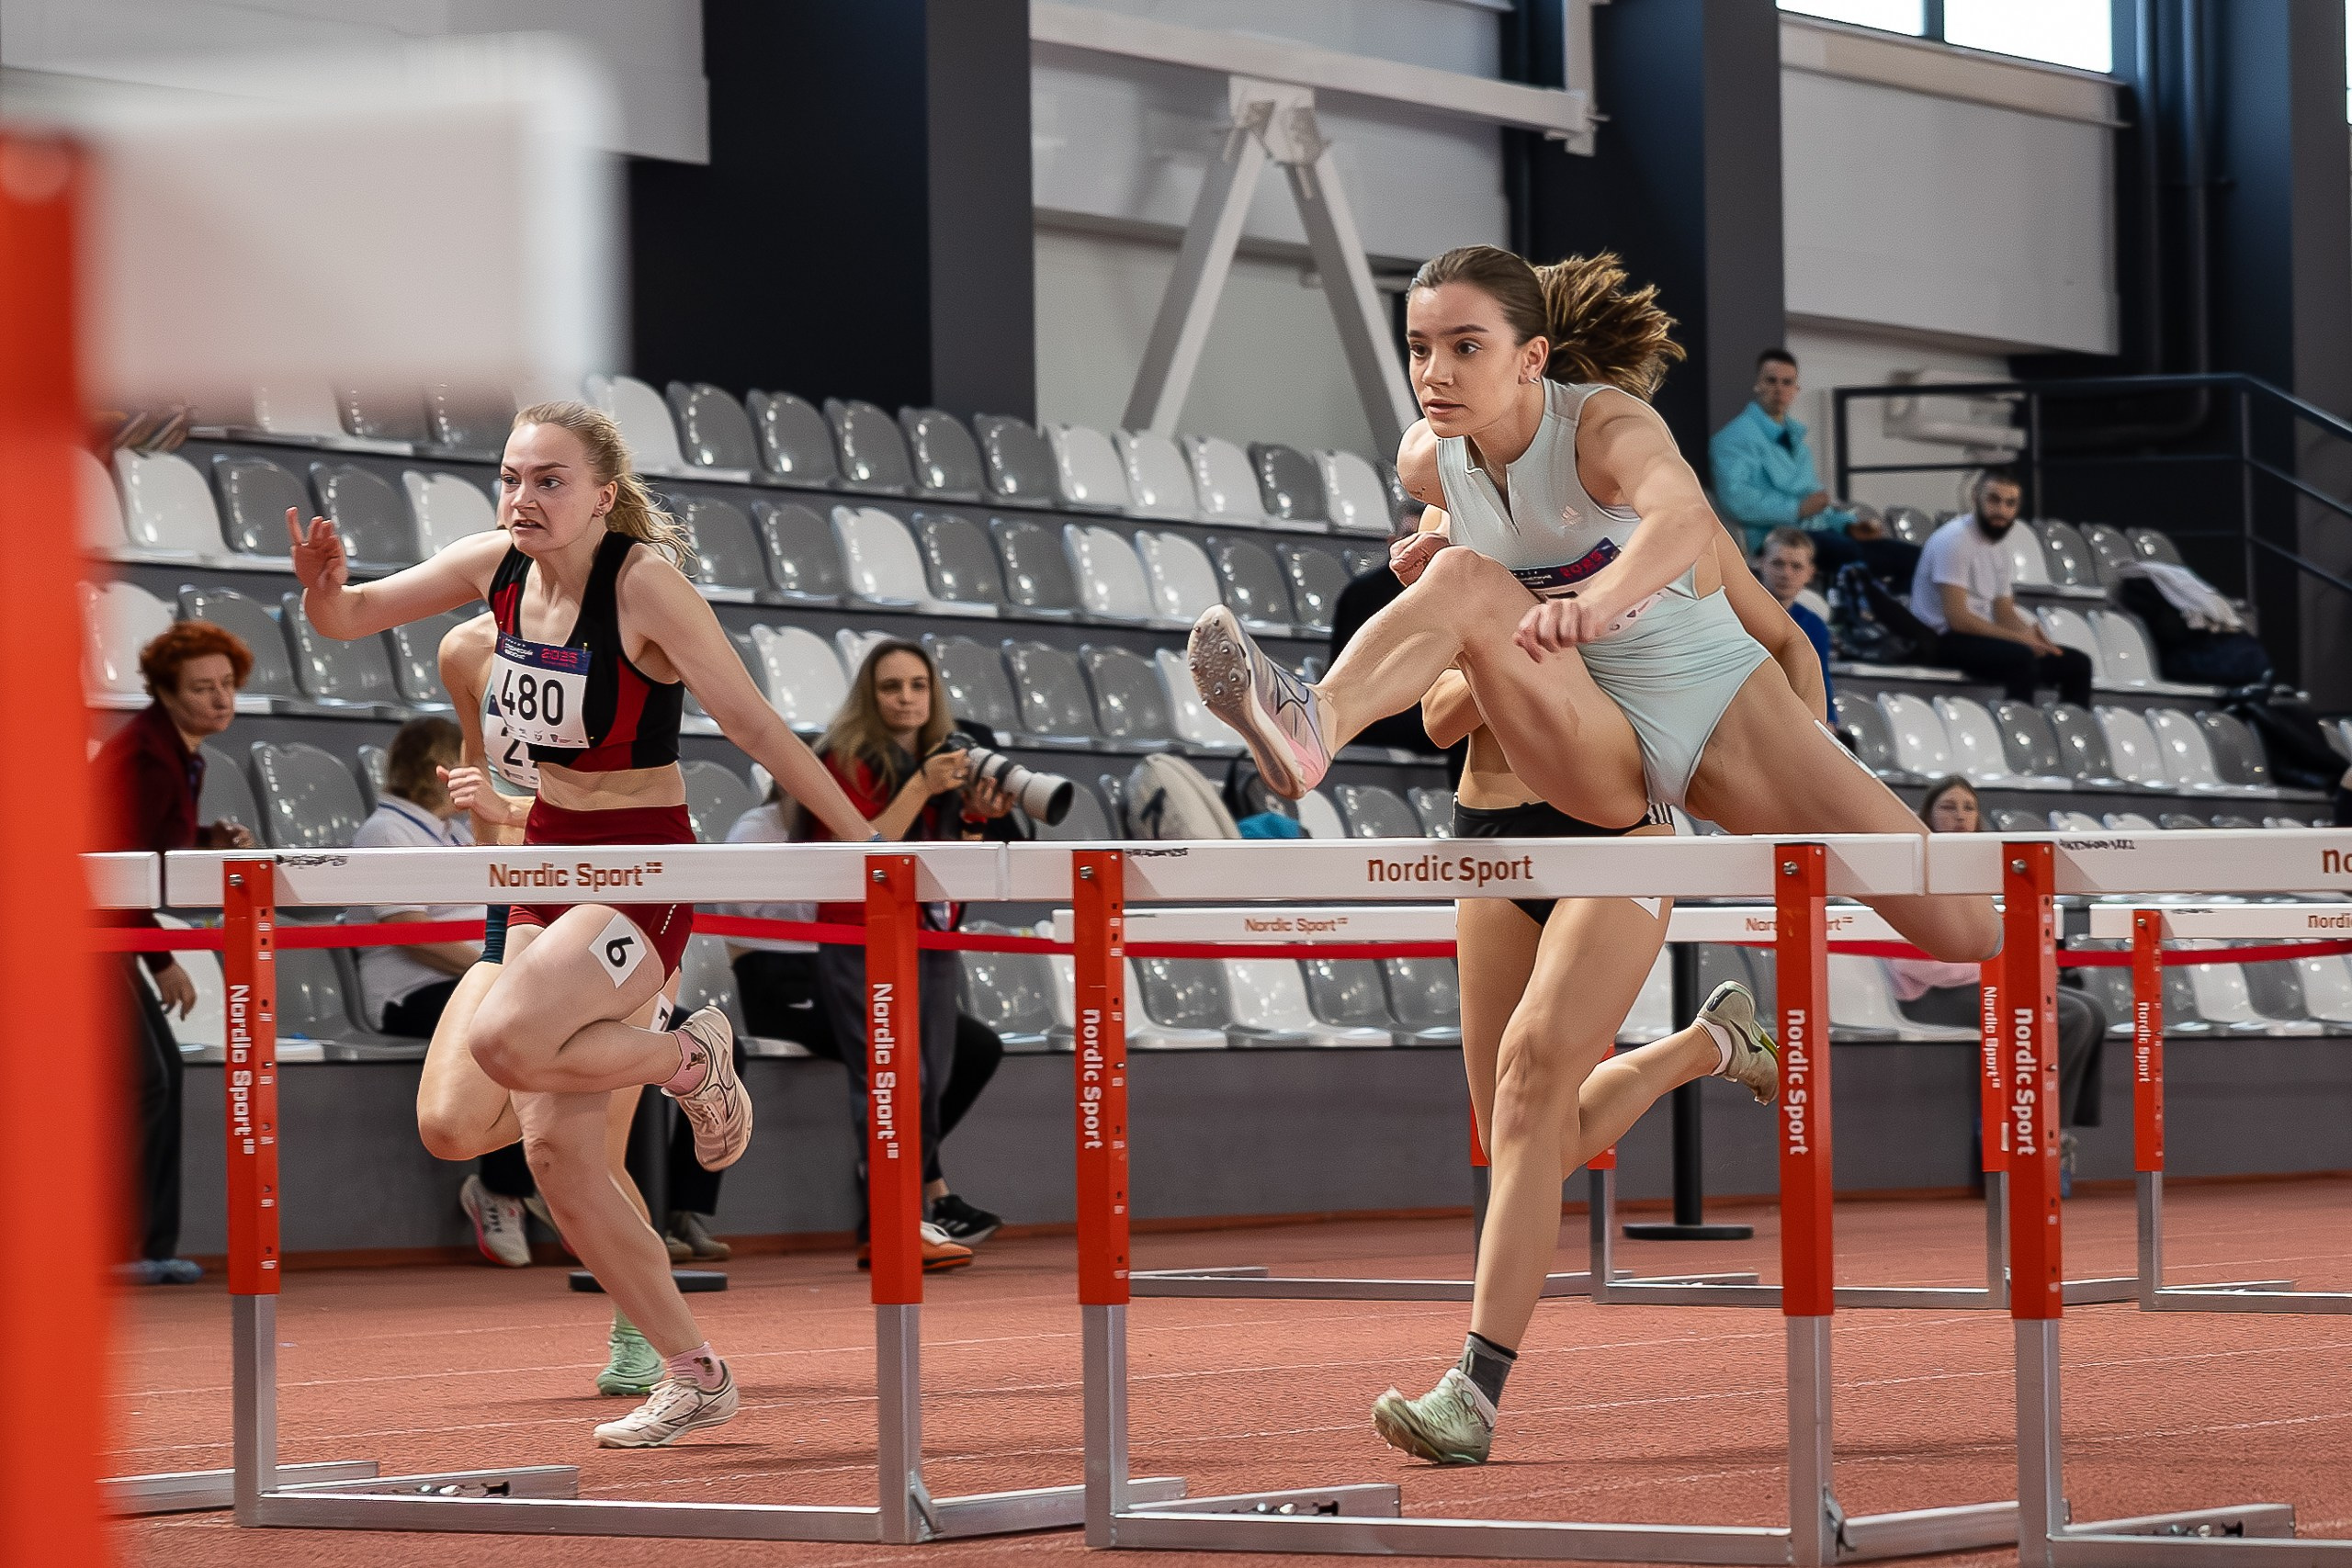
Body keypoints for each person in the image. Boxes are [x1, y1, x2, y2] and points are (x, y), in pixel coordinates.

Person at [290, 400, 878, 1448]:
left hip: (638, 871)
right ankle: (695, 1373)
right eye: (511, 477)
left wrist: (863, 838)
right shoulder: (495, 567)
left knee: (506, 1041)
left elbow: (749, 720)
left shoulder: (644, 582)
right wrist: (324, 585)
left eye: (548, 481)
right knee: (561, 1163)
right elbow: (347, 621)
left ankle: (685, 1058)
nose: (523, 499)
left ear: (603, 492)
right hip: (541, 870)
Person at [1187, 243, 1999, 969]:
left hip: (1714, 708)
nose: (1435, 373)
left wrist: (1595, 603)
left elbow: (1683, 521)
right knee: (1465, 580)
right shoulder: (1430, 465)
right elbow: (1440, 715)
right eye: (1420, 347)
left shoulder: (1604, 428)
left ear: (1531, 357)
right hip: (1592, 745)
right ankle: (1314, 720)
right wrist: (1455, 595)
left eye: (1466, 347)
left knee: (1967, 932)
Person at [1369, 669, 1779, 1467]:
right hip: (1489, 844)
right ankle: (1711, 1044)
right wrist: (1510, 637)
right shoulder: (1466, 551)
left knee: (1527, 1086)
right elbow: (1440, 717)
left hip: (1614, 835)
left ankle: (1473, 1392)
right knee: (1524, 1140)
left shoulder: (1624, 556)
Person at [420, 610, 677, 1398]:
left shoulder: (629, 633)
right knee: (451, 1126)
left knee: (591, 1154)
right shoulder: (465, 651)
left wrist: (512, 814)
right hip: (521, 910)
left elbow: (637, 799)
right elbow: (484, 790)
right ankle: (688, 1054)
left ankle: (649, 1331)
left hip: (615, 906)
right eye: (510, 485)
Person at [792, 641, 1014, 1266]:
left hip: (931, 939)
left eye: (919, 685)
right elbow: (865, 845)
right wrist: (922, 784)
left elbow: (952, 866)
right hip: (859, 936)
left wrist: (973, 817)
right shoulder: (843, 756)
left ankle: (905, 1216)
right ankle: (893, 1222)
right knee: (891, 1080)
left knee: (931, 1080)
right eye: (893, 686)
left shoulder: (948, 755)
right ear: (871, 693)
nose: (908, 698)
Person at [95, 621, 257, 1285]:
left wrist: (205, 835)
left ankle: (149, 1244)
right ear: (164, 691)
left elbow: (152, 838)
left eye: (226, 685)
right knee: (146, 1080)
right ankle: (122, 1245)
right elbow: (113, 862)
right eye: (201, 688)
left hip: (110, 929)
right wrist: (162, 957)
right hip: (89, 931)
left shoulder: (178, 752)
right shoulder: (145, 755)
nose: (220, 699)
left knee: (160, 1075)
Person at [1890, 778, 2103, 1183]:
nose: (1959, 817)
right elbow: (1913, 963)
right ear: (1927, 814)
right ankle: (2044, 1132)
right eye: (1949, 807)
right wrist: (1999, 967)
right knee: (2072, 1015)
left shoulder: (1981, 868)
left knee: (2090, 1008)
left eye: (1968, 808)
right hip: (1932, 994)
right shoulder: (1913, 865)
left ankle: (2057, 1125)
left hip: (1981, 979)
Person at [1708, 348, 1917, 584]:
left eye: (1787, 382)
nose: (1779, 389)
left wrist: (1848, 526)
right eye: (1771, 380)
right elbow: (1738, 502)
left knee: (1910, 556)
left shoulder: (1797, 442)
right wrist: (1797, 509)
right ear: (1758, 385)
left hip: (1816, 535)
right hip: (1773, 539)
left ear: (1795, 390)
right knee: (1853, 555)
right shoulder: (1733, 438)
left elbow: (1817, 504)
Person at [1906, 469, 2092, 709]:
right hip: (1942, 641)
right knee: (2021, 658)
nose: (2002, 511)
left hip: (1978, 637)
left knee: (2077, 664)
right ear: (1976, 498)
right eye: (1994, 500)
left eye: (2010, 503)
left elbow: (2003, 610)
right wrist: (2021, 641)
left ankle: (2068, 735)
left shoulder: (1998, 547)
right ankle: (2019, 730)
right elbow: (1958, 619)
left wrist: (2034, 635)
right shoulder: (1953, 541)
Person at [1754, 527, 1834, 707]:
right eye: (1778, 563)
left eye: (1796, 566)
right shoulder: (1736, 614)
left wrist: (1828, 722)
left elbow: (1822, 686)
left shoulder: (1815, 626)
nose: (1786, 574)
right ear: (1761, 563)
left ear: (1810, 573)